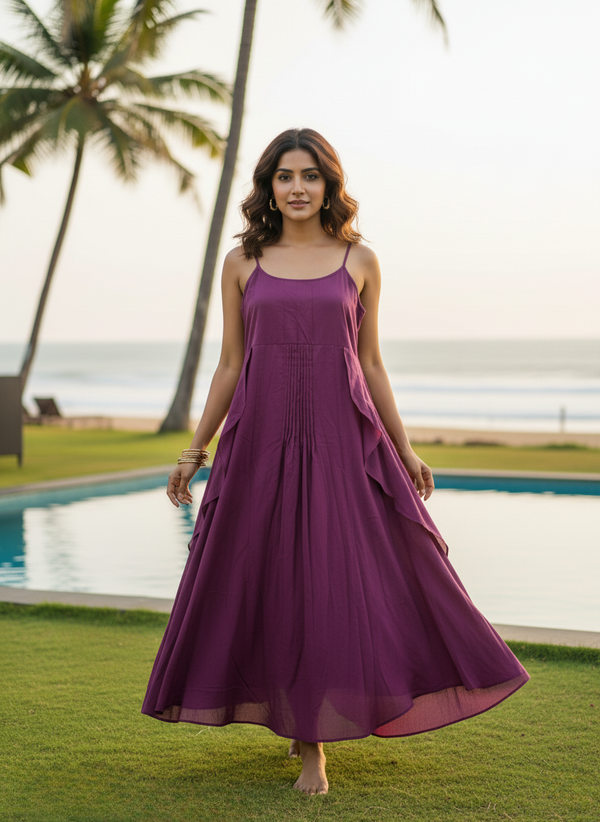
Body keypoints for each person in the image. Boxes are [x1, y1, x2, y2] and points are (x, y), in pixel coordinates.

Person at [142, 128, 529, 796]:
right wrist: (194, 449)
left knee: (327, 585)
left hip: (343, 446)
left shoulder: (360, 260)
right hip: (260, 444)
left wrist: (404, 450)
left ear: (330, 184)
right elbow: (232, 362)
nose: (296, 188)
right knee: (270, 580)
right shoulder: (243, 261)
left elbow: (371, 362)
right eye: (284, 176)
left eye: (310, 176)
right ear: (269, 187)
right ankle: (298, 721)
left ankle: (316, 748)